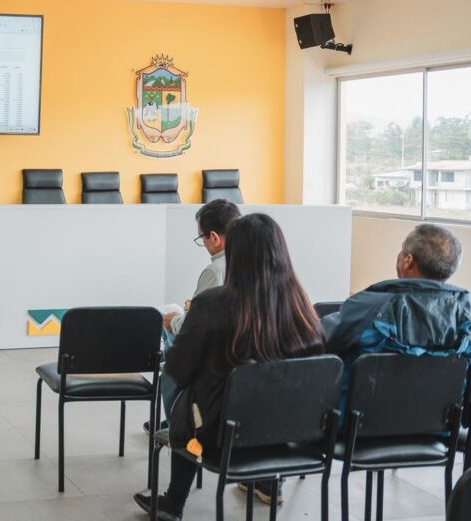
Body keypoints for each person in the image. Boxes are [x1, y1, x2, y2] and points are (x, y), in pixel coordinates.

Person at [134, 214, 326, 521]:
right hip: (291, 433)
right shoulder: (303, 308)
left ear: (234, 253)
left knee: (179, 386)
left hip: (221, 433)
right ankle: (269, 481)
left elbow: (179, 368)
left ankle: (174, 500)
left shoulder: (213, 303)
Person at [323, 223, 469, 403]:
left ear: (408, 260)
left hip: (360, 418)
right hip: (439, 420)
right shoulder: (466, 312)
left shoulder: (369, 307)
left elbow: (318, 341)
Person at [150, 199, 241, 431]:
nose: (204, 244)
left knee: (170, 357)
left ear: (215, 237)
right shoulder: (251, 263)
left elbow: (192, 326)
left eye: (202, 238)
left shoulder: (215, 270)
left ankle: (177, 424)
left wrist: (175, 320)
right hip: (238, 356)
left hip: (214, 357)